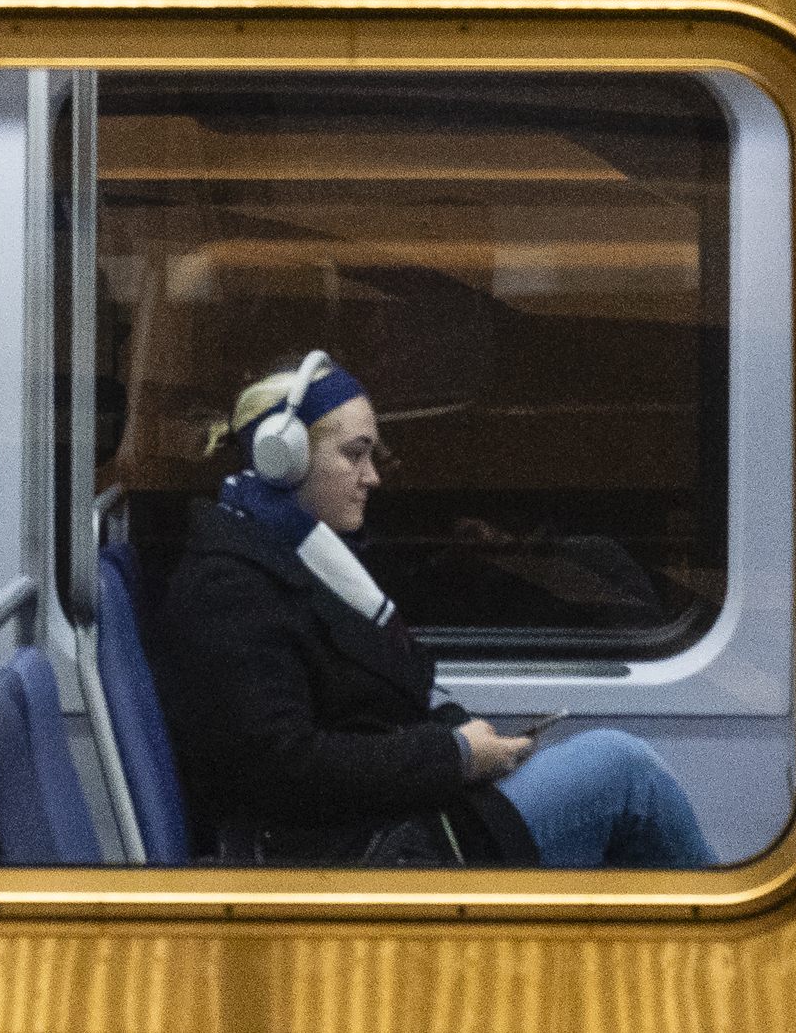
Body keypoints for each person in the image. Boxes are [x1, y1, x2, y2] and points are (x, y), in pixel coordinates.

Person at [154, 351, 716, 869]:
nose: (371, 477)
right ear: (283, 458)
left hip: (375, 821)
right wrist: (453, 757)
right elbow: (282, 766)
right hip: (343, 851)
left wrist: (461, 735)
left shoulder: (303, 559)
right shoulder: (227, 588)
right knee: (625, 772)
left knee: (599, 563)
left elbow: (367, 700)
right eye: (354, 455)